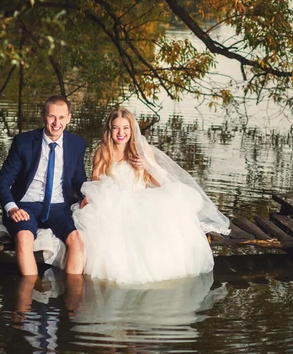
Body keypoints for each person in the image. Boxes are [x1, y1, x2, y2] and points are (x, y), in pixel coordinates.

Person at [72, 107, 230, 284]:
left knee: (162, 217)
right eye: (116, 127)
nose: (121, 133)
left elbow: (160, 182)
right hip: (112, 202)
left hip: (139, 200)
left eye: (125, 128)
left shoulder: (142, 151)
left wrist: (146, 166)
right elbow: (95, 182)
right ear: (110, 129)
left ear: (132, 129)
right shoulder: (103, 151)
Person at [0, 95, 87, 275]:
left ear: (69, 118)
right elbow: (2, 183)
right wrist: (12, 208)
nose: (56, 123)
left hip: (59, 206)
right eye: (52, 116)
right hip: (25, 205)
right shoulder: (24, 142)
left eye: (61, 117)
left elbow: (78, 180)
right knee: (24, 238)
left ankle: (73, 298)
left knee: (76, 240)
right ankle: (28, 295)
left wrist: (85, 197)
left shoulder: (77, 144)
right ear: (43, 116)